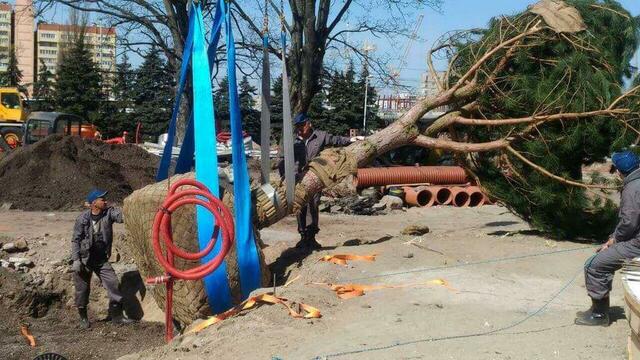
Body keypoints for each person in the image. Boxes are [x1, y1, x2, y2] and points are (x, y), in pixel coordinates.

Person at [575, 150, 640, 326]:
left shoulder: (633, 188)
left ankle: (599, 315)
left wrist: (613, 240)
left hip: (637, 243)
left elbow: (629, 222)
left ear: (619, 171)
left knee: (594, 265)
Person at [280, 113, 362, 250]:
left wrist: (352, 139)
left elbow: (336, 140)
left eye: (302, 126)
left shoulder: (320, 136)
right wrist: (285, 176)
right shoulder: (294, 142)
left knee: (314, 205)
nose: (299, 129)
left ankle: (311, 237)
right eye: (297, 127)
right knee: (300, 207)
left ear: (309, 123)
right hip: (298, 180)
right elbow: (283, 159)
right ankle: (303, 236)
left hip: (316, 178)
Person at [71, 189, 133, 329]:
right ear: (94, 203)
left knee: (113, 283)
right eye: (102, 199)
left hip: (101, 259)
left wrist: (130, 209)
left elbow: (121, 217)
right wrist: (76, 260)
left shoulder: (109, 213)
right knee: (82, 289)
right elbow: (75, 240)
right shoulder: (82, 219)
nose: (105, 201)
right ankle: (83, 319)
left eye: (105, 199)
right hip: (84, 259)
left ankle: (117, 317)